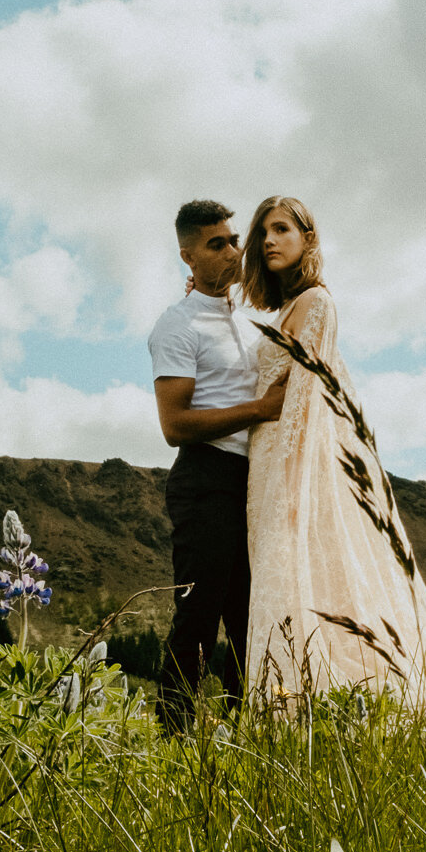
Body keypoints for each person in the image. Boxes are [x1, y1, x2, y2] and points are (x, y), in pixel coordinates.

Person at [239, 195, 426, 703]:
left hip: (288, 471)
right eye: (263, 231)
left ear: (308, 238)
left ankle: (310, 703)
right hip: (263, 466)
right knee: (282, 585)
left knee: (293, 580)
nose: (268, 240)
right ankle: (299, 703)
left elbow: (307, 404)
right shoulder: (287, 306)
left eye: (282, 229)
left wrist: (288, 493)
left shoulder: (316, 303)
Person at [148, 199, 287, 734]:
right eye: (216, 244)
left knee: (255, 618)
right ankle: (175, 737)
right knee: (199, 619)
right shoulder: (177, 326)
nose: (233, 250)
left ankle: (248, 732)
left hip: (254, 485)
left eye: (233, 240)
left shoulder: (251, 316)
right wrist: (259, 410)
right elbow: (174, 426)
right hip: (205, 482)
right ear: (188, 257)